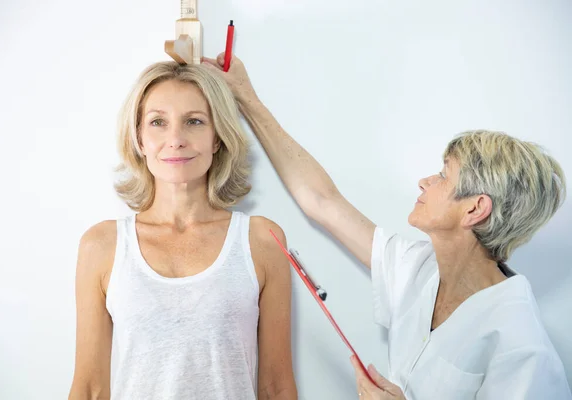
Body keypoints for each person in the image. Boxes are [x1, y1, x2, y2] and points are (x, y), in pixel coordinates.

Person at [202, 53, 572, 399]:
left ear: (475, 209)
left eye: (443, 175)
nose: (425, 181)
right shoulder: (418, 270)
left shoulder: (523, 345)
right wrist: (245, 97)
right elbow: (322, 201)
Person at [68, 61, 297, 400]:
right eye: (158, 122)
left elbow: (276, 387)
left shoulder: (262, 241)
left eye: (194, 122)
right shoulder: (101, 246)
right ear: (140, 139)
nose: (175, 140)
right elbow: (90, 389)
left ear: (217, 138)